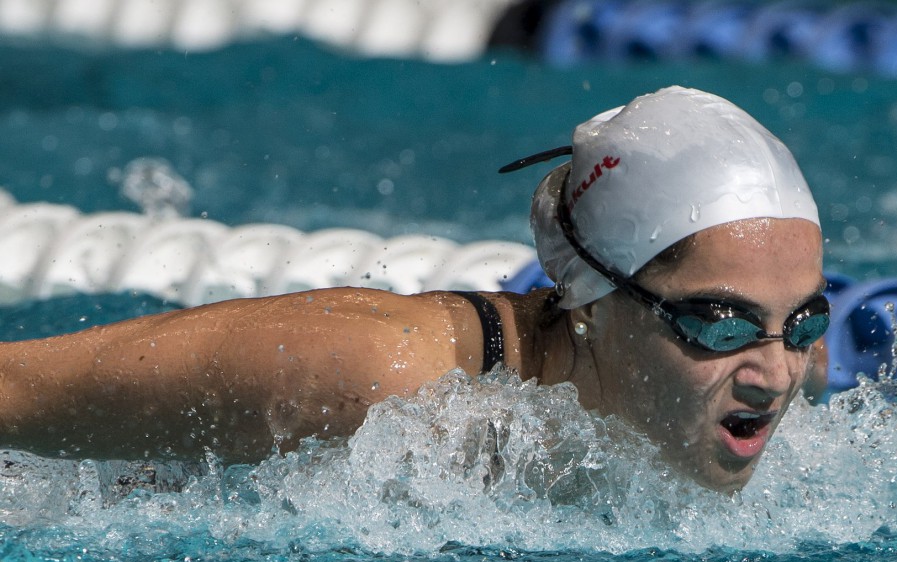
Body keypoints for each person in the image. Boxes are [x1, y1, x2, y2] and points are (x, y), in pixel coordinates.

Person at [0, 86, 828, 493]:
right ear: (592, 294)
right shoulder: (382, 377)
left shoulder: (775, 376)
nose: (779, 371)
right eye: (721, 323)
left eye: (802, 321)